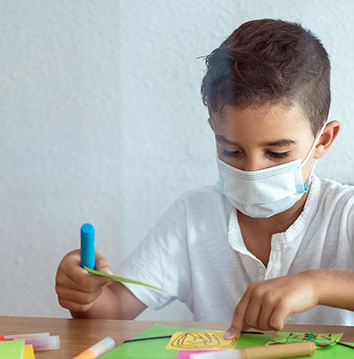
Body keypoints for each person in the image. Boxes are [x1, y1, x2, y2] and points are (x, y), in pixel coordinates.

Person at [55, 18, 354, 337]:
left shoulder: (344, 214)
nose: (252, 172)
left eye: (277, 154)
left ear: (323, 140)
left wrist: (316, 284)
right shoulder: (193, 217)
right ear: (213, 129)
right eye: (231, 151)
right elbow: (111, 312)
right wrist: (86, 297)